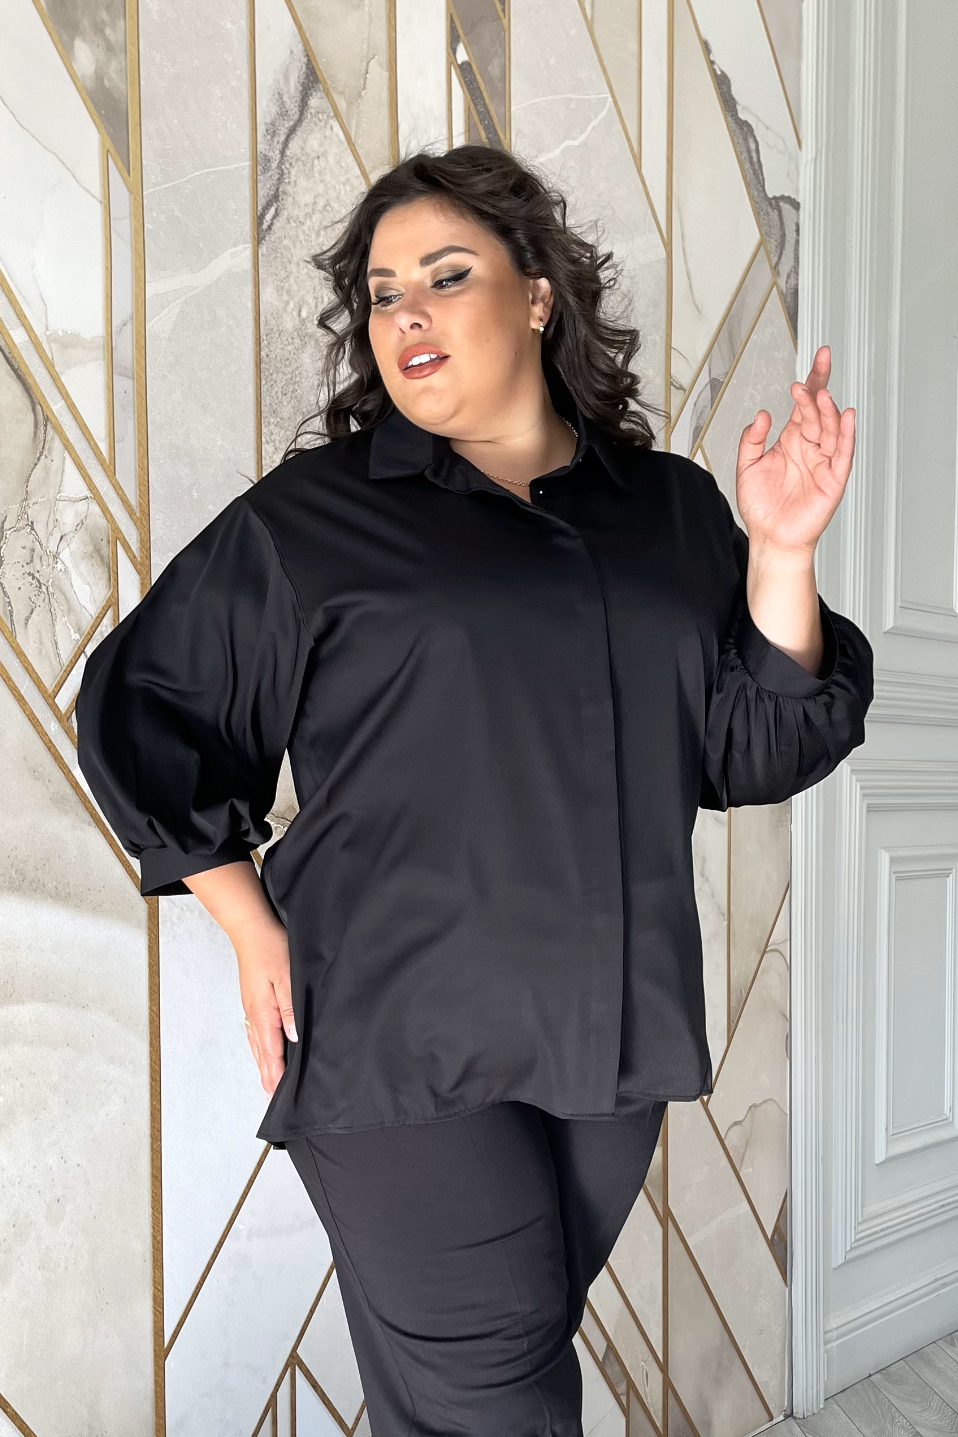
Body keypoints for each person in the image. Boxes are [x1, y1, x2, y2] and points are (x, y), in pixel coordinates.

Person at [76, 146, 873, 1435]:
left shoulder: (667, 510)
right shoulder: (315, 517)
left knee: (465, 1391)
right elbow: (151, 703)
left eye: (447, 277)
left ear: (539, 294)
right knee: (500, 1399)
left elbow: (751, 748)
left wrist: (780, 553)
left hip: (611, 1038)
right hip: (399, 1030)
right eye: (384, 294)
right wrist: (245, 918)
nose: (408, 315)